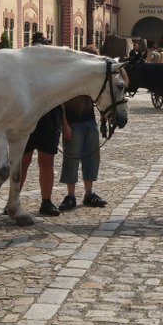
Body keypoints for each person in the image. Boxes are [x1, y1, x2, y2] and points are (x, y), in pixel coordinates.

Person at [19, 33, 69, 216]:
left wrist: (65, 125)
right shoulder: (24, 70)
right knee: (22, 163)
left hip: (50, 120)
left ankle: (46, 201)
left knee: (46, 162)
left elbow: (61, 98)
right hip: (27, 119)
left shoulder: (54, 71)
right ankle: (13, 200)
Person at [59, 45, 108, 211]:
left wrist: (103, 114)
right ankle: (70, 196)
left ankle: (89, 194)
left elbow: (99, 97)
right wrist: (64, 125)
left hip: (89, 122)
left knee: (92, 158)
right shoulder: (70, 76)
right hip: (73, 123)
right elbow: (61, 104)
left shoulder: (92, 77)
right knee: (71, 160)